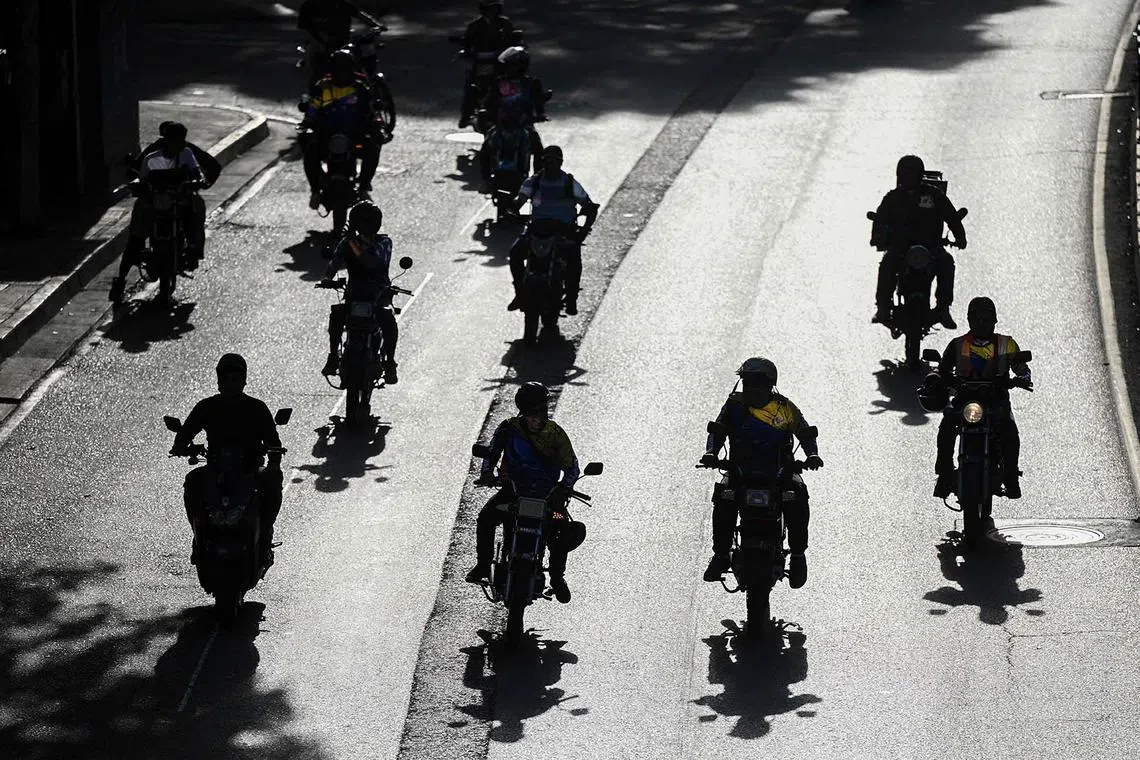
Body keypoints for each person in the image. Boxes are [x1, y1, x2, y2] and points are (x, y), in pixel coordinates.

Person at [699, 357, 823, 588]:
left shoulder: (785, 407)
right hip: (740, 473)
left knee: (797, 494)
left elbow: (805, 432)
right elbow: (717, 430)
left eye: (758, 382)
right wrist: (710, 453)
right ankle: (721, 555)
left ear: (769, 385)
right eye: (748, 382)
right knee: (724, 496)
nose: (752, 388)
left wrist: (812, 455)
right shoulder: (734, 405)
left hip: (779, 475)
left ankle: (798, 557)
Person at [467, 382, 583, 604]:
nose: (537, 416)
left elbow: (572, 468)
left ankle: (557, 577)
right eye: (533, 412)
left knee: (561, 527)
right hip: (513, 495)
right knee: (486, 518)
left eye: (541, 410)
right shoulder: (509, 429)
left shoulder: (557, 434)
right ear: (523, 410)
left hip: (548, 501)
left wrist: (563, 488)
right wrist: (487, 474)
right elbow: (491, 454)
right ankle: (483, 564)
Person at [171, 354, 285, 567]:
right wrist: (179, 446)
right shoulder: (206, 406)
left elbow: (273, 440)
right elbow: (186, 431)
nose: (230, 384)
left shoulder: (257, 408)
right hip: (216, 468)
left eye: (235, 379)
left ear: (244, 381)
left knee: (272, 480)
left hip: (249, 468)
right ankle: (199, 538)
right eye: (225, 379)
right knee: (193, 482)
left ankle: (265, 539)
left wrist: (274, 462)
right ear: (218, 381)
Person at [920, 296, 1032, 499]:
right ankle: (944, 475)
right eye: (977, 319)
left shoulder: (1006, 344)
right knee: (946, 427)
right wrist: (934, 377)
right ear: (969, 320)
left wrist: (1023, 378)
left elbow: (1021, 367)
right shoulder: (957, 344)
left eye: (986, 319)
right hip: (964, 401)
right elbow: (942, 369)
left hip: (996, 401)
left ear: (994, 321)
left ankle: (1011, 477)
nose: (981, 324)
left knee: (1009, 432)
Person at [110, 122, 208, 305]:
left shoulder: (186, 154)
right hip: (154, 203)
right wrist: (137, 187)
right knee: (135, 240)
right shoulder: (151, 158)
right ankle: (120, 281)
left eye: (181, 140)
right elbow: (142, 178)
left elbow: (196, 172)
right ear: (166, 140)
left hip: (177, 202)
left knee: (197, 205)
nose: (178, 144)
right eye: (174, 140)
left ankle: (194, 248)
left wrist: (197, 181)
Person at [870, 154, 967, 329]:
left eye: (912, 173)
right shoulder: (892, 197)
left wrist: (960, 237)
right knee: (887, 263)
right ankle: (883, 306)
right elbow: (880, 218)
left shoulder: (933, 195)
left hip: (930, 249)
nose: (908, 178)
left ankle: (943, 308)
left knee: (946, 262)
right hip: (900, 249)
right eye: (904, 173)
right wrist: (877, 237)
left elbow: (951, 216)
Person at [507, 146, 598, 315]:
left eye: (555, 161)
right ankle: (519, 293)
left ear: (561, 162)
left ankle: (571, 299)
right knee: (515, 254)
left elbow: (589, 206)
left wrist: (583, 231)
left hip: (563, 232)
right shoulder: (533, 182)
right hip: (537, 231)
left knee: (574, 261)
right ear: (543, 162)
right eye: (548, 160)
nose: (551, 164)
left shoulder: (570, 183)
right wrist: (512, 209)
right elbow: (519, 201)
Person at [321, 201, 400, 384]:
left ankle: (389, 362)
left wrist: (351, 242)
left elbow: (370, 263)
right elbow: (334, 263)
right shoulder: (346, 243)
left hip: (378, 294)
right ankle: (333, 356)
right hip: (355, 294)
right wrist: (327, 278)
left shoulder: (384, 242)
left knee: (388, 320)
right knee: (337, 315)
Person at [301, 49, 381, 210]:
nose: (342, 74)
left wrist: (375, 123)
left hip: (354, 136)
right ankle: (315, 191)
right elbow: (313, 107)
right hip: (326, 136)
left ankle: (364, 187)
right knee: (309, 148)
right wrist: (308, 120)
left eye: (345, 70)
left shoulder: (361, 89)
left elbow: (370, 110)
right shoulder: (322, 87)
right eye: (338, 70)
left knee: (373, 146)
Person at [478, 45, 547, 183]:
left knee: (539, 151)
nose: (509, 69)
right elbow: (488, 102)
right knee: (485, 149)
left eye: (512, 66)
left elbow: (539, 104)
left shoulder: (532, 83)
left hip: (524, 126)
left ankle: (536, 183)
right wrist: (487, 113)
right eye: (508, 66)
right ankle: (485, 181)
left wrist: (539, 115)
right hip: (501, 125)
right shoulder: (498, 82)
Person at [458, 1, 519, 128]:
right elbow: (467, 43)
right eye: (489, 9)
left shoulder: (505, 24)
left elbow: (515, 40)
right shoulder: (474, 26)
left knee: (514, 81)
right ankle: (466, 114)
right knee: (471, 85)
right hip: (481, 62)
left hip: (501, 63)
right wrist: (465, 52)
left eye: (494, 9)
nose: (492, 12)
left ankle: (519, 109)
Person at [298, 0, 384, 81]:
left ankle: (369, 80)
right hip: (319, 43)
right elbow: (303, 28)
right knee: (315, 65)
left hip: (344, 42)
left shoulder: (342, 3)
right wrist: (319, 43)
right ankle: (316, 90)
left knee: (364, 53)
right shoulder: (309, 6)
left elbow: (359, 15)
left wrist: (377, 26)